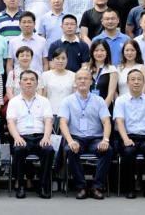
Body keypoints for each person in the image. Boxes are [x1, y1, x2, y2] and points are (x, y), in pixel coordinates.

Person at [59, 68, 113, 199]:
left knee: (108, 150)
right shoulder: (67, 100)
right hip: (76, 138)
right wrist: (70, 141)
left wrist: (105, 140)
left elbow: (106, 122)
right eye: (79, 78)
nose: (82, 81)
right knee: (70, 150)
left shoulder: (99, 100)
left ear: (91, 82)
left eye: (86, 78)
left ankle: (97, 187)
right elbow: (63, 123)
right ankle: (81, 186)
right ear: (75, 82)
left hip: (95, 139)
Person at [6, 70, 55, 199]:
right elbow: (10, 122)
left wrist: (46, 137)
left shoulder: (44, 101)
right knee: (18, 149)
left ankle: (43, 186)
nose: (29, 82)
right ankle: (21, 185)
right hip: (22, 136)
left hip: (40, 136)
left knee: (48, 150)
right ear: (20, 83)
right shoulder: (14, 101)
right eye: (25, 79)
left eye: (32, 79)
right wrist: (17, 137)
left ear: (37, 83)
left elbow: (48, 120)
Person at [114, 69, 145, 199]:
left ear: (144, 82)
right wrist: (125, 139)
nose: (136, 82)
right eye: (133, 79)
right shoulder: (121, 100)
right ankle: (129, 189)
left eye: (139, 79)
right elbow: (119, 121)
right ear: (127, 83)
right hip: (128, 137)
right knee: (128, 152)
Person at [40, 48, 76, 114]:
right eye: (57, 58)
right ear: (52, 60)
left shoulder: (73, 75)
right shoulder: (45, 75)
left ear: (67, 60)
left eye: (63, 58)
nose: (60, 61)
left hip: (67, 113)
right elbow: (43, 97)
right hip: (50, 113)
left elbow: (75, 97)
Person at [88, 40, 119, 105]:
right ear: (92, 52)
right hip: (89, 107)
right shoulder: (87, 69)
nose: (99, 53)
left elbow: (111, 94)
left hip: (106, 107)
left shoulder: (112, 69)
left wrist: (103, 109)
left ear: (107, 52)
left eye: (102, 50)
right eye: (96, 50)